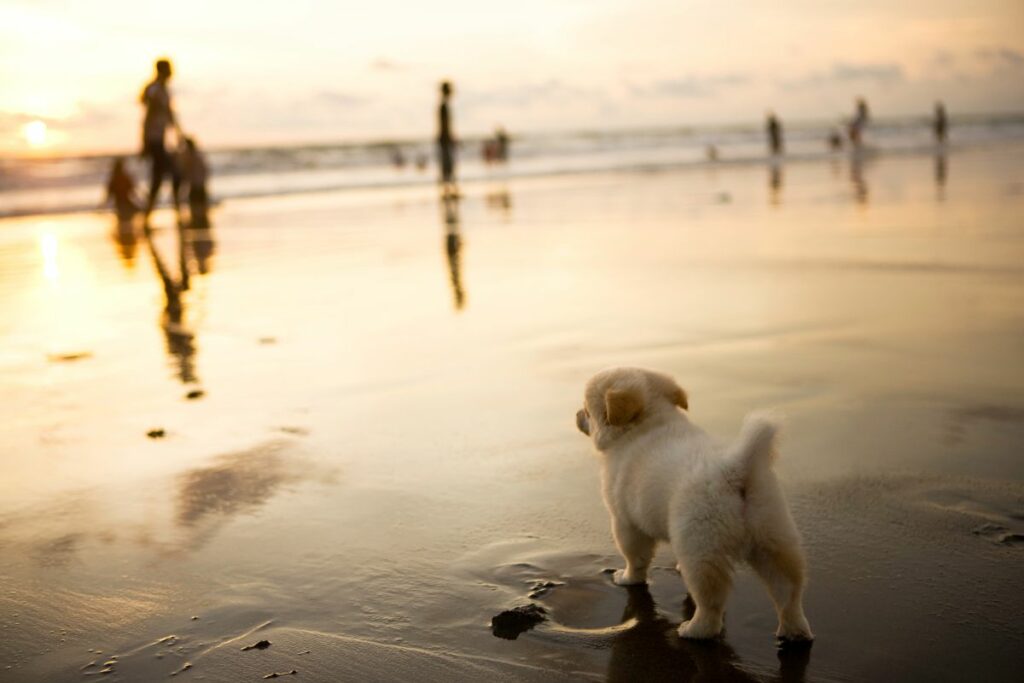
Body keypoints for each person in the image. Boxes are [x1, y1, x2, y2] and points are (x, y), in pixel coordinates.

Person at [140, 58, 181, 219]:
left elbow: (170, 115)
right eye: (169, 69)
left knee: (160, 177)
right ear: (162, 70)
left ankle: (148, 215)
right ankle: (175, 211)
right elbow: (148, 117)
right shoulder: (155, 89)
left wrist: (178, 134)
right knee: (171, 174)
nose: (172, 73)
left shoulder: (163, 90)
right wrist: (144, 141)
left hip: (159, 139)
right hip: (154, 139)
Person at [179, 136, 210, 229]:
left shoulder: (191, 157)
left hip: (196, 185)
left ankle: (200, 224)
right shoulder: (197, 155)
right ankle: (201, 224)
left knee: (197, 207)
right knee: (200, 207)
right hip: (199, 184)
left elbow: (187, 171)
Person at [437, 81, 457, 195]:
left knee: (447, 164)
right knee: (448, 164)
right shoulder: (443, 106)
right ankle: (448, 189)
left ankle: (448, 189)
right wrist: (450, 137)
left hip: (444, 138)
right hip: (445, 139)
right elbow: (444, 125)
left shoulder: (443, 106)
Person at [105, 157, 140, 221]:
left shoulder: (113, 179)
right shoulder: (125, 177)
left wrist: (102, 206)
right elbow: (133, 192)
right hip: (125, 204)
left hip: (119, 205)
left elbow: (108, 195)